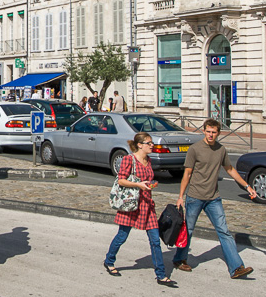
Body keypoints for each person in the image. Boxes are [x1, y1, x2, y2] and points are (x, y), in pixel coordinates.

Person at [171, 119, 256, 280]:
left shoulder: (221, 150)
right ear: (204, 131)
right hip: (195, 197)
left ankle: (236, 268)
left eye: (214, 132)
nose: (210, 135)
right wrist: (181, 197)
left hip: (213, 198)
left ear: (218, 133)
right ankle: (179, 259)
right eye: (208, 131)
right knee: (188, 230)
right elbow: (187, 174)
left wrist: (247, 186)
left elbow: (230, 169)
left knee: (224, 231)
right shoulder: (195, 149)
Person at [104, 131, 174, 286]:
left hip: (147, 205)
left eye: (152, 143)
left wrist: (151, 184)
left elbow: (146, 180)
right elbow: (121, 180)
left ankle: (161, 275)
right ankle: (109, 260)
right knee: (122, 236)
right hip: (131, 204)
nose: (152, 145)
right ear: (140, 145)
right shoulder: (129, 160)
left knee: (155, 240)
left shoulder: (148, 160)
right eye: (149, 143)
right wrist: (138, 185)